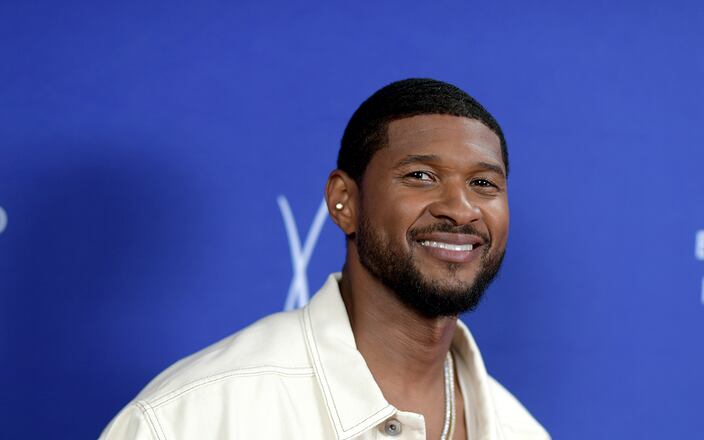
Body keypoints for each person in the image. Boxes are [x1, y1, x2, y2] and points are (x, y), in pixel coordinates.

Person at [100, 78, 550, 440]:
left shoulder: (522, 431)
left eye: (484, 184)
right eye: (421, 176)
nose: (460, 207)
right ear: (344, 202)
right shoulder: (191, 419)